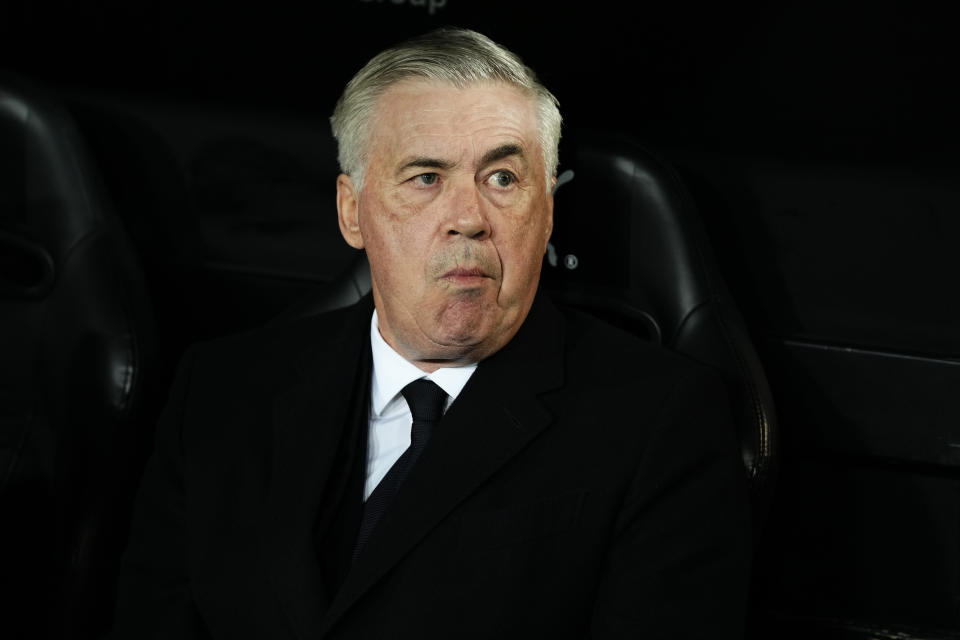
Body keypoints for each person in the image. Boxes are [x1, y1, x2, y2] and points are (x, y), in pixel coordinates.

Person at [110, 27, 751, 639]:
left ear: (548, 210)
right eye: (426, 178)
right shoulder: (222, 389)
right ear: (351, 211)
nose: (469, 218)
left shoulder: (662, 421)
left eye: (502, 178)